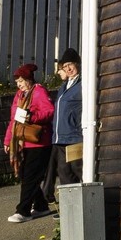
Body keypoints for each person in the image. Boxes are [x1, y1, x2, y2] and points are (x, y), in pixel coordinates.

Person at [3, 63, 54, 223]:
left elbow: (49, 111)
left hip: (39, 143)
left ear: (28, 80)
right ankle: (40, 205)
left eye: (21, 81)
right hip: (22, 141)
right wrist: (7, 140)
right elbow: (14, 119)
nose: (18, 85)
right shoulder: (19, 95)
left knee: (30, 177)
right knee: (27, 176)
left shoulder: (39, 91)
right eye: (17, 82)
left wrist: (31, 117)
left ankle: (23, 210)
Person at [42, 48, 83, 206]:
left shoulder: (82, 84)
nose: (68, 69)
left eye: (70, 64)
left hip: (74, 137)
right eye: (64, 66)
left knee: (78, 172)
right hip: (60, 139)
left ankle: (83, 206)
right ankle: (69, 209)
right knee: (64, 175)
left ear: (77, 64)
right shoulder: (64, 86)